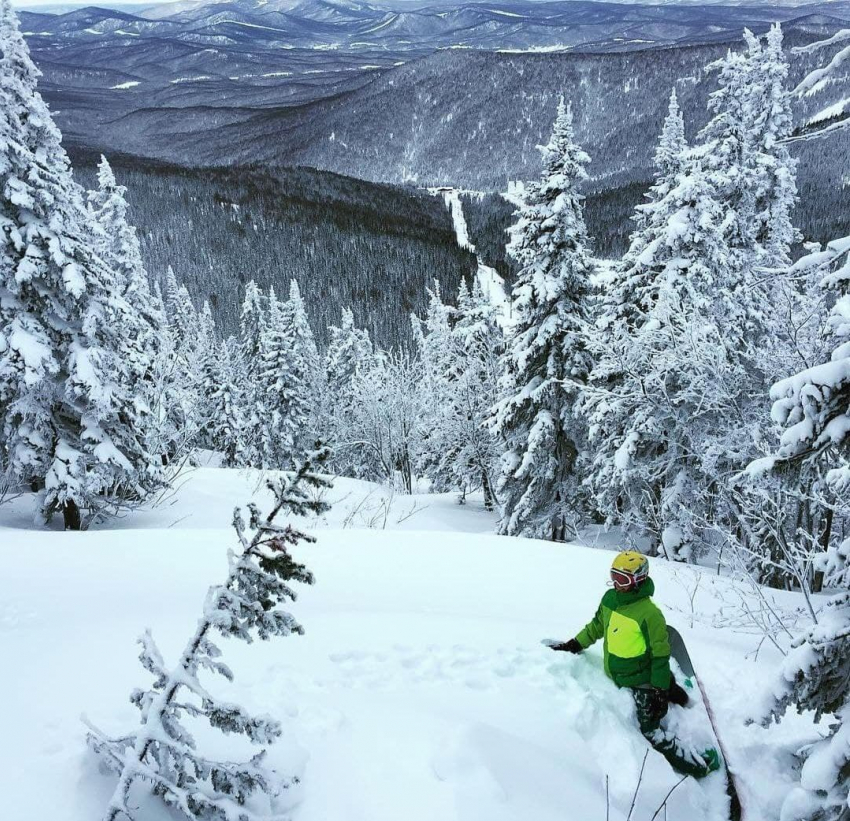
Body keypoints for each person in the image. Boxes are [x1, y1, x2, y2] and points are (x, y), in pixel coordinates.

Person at [548, 550, 719, 779]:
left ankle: (700, 765)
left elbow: (660, 655)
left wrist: (658, 690)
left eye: (623, 579)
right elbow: (596, 627)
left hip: (643, 680)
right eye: (614, 576)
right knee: (665, 684)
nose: (618, 584)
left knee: (650, 731)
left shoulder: (650, 614)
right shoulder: (610, 599)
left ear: (639, 579)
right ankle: (671, 689)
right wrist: (574, 644)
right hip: (621, 673)